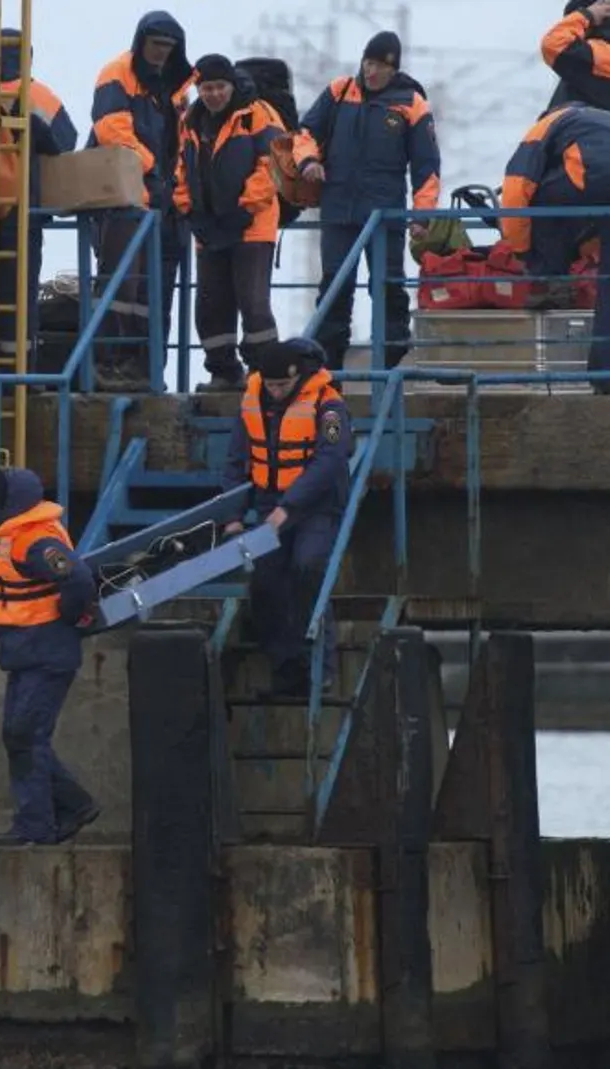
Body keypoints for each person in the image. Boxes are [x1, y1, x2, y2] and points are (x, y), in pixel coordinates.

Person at [289, 32, 442, 372]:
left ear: (393, 69)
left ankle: (389, 366)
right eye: (368, 63)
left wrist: (421, 216)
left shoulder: (411, 102)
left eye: (380, 66)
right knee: (334, 289)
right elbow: (305, 132)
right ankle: (327, 372)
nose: (371, 72)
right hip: (338, 210)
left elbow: (427, 167)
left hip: (384, 215)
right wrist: (308, 161)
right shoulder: (339, 91)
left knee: (387, 288)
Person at [0, 465, 101, 847]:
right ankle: (73, 806)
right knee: (18, 736)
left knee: (26, 735)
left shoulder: (35, 541)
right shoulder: (8, 535)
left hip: (47, 650)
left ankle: (37, 824)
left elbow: (76, 577)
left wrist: (71, 615)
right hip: (26, 652)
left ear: (4, 507)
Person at [494, 102, 610, 396]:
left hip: (595, 172)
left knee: (537, 206)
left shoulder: (543, 127)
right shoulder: (608, 124)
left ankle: (550, 280)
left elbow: (516, 189)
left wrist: (522, 251)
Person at [221, 339, 354, 697]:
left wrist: (290, 507)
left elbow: (330, 461)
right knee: (265, 581)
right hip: (269, 502)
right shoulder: (253, 400)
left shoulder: (329, 407)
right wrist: (232, 517)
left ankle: (321, 669)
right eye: (271, 385)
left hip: (316, 506)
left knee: (308, 568)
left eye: (283, 386)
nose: (276, 392)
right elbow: (237, 459)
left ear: (299, 375)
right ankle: (286, 667)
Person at [86, 10, 194, 391]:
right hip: (125, 199)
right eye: (156, 45)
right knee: (122, 285)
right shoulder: (117, 73)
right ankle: (107, 365)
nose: (161, 53)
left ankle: (146, 369)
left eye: (168, 47)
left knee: (155, 293)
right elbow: (112, 129)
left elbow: (183, 142)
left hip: (163, 207)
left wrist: (176, 190)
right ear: (141, 43)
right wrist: (152, 171)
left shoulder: (177, 87)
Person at [173, 53, 287, 392]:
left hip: (252, 227)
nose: (213, 95)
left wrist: (244, 209)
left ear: (231, 85)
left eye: (219, 87)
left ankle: (266, 376)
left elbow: (273, 164)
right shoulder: (191, 122)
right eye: (206, 88)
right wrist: (189, 211)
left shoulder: (259, 115)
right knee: (210, 306)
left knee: (253, 304)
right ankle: (223, 372)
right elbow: (180, 168)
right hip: (208, 229)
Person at [0, 28, 79, 367]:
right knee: (17, 294)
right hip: (19, 210)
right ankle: (19, 371)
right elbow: (65, 139)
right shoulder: (34, 95)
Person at [541, 0, 610, 120]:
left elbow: (554, 44)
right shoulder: (595, 58)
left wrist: (587, 15)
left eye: (578, 23)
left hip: (579, 136)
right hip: (575, 135)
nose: (576, 31)